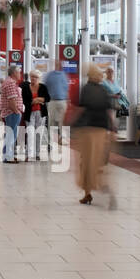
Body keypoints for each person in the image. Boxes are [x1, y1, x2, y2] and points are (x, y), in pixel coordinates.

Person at [74, 63, 115, 206]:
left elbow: (82, 108)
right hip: (102, 128)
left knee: (86, 161)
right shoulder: (104, 90)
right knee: (98, 160)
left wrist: (73, 125)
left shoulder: (86, 89)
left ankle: (88, 192)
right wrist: (113, 129)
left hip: (88, 129)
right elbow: (109, 111)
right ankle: (100, 186)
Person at [0, 65, 25, 163]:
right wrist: (16, 111)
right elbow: (11, 100)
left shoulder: (10, 82)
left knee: (10, 135)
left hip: (12, 112)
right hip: (12, 113)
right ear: (14, 73)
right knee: (11, 135)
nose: (20, 74)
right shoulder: (10, 83)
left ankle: (8, 156)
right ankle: (8, 157)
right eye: (18, 72)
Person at [43, 63, 70, 155]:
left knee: (62, 122)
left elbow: (67, 88)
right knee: (50, 122)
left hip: (62, 101)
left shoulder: (64, 75)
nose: (59, 66)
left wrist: (67, 99)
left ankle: (61, 139)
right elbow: (45, 87)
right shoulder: (49, 75)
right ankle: (49, 142)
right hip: (52, 101)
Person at [21, 69, 47, 161]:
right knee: (30, 132)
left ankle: (37, 153)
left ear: (39, 78)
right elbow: (23, 100)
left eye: (36, 77)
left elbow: (47, 98)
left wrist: (40, 99)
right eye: (32, 77)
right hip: (29, 113)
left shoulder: (43, 87)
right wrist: (33, 102)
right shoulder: (25, 88)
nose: (33, 79)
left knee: (38, 133)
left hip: (41, 113)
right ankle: (29, 154)